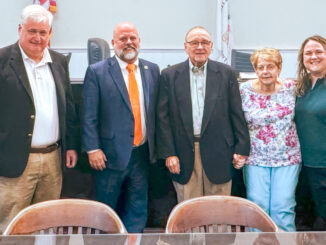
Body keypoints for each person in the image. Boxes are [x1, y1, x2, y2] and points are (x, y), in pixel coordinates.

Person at [0, 4, 78, 232]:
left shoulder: (59, 61)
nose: (37, 37)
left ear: (50, 34)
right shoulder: (3, 60)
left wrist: (71, 145)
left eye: (43, 32)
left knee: (47, 223)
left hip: (52, 158)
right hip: (13, 161)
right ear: (20, 30)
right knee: (10, 225)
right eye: (32, 31)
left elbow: (69, 109)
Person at [156, 26, 250, 203]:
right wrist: (169, 153)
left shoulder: (226, 73)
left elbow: (236, 112)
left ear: (211, 46)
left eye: (205, 42)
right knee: (189, 213)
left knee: (219, 212)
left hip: (220, 153)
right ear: (186, 47)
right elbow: (163, 119)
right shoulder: (169, 75)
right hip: (183, 155)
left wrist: (242, 148)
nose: (200, 47)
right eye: (194, 43)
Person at [82, 22, 159, 232]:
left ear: (139, 41)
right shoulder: (97, 72)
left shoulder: (151, 69)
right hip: (108, 156)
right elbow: (89, 115)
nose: (128, 42)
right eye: (123, 39)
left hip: (141, 155)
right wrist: (92, 148)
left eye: (133, 38)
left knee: (137, 210)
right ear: (113, 42)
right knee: (106, 212)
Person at [235, 48, 302, 231]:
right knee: (257, 207)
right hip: (255, 158)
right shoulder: (243, 91)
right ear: (255, 70)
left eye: (270, 66)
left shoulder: (292, 88)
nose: (265, 71)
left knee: (283, 207)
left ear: (279, 68)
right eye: (260, 67)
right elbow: (234, 121)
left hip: (287, 158)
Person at [295, 35, 326, 231]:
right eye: (308, 53)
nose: (313, 56)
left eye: (319, 52)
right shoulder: (300, 87)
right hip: (302, 167)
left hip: (324, 166)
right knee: (304, 223)